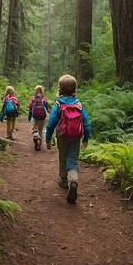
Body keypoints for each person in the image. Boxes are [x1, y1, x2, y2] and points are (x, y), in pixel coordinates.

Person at [45, 75, 91, 204]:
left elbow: (51, 123)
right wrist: (86, 138)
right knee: (73, 159)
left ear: (59, 90)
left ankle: (64, 180)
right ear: (74, 90)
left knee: (63, 157)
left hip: (62, 135)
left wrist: (48, 138)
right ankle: (73, 182)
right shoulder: (79, 104)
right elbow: (86, 123)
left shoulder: (58, 104)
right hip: (76, 136)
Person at [28, 85, 50, 151]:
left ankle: (36, 137)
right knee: (41, 130)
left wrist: (30, 115)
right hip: (42, 117)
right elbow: (46, 108)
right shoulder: (44, 99)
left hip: (35, 116)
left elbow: (30, 107)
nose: (39, 93)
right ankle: (39, 145)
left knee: (35, 129)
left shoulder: (33, 99)